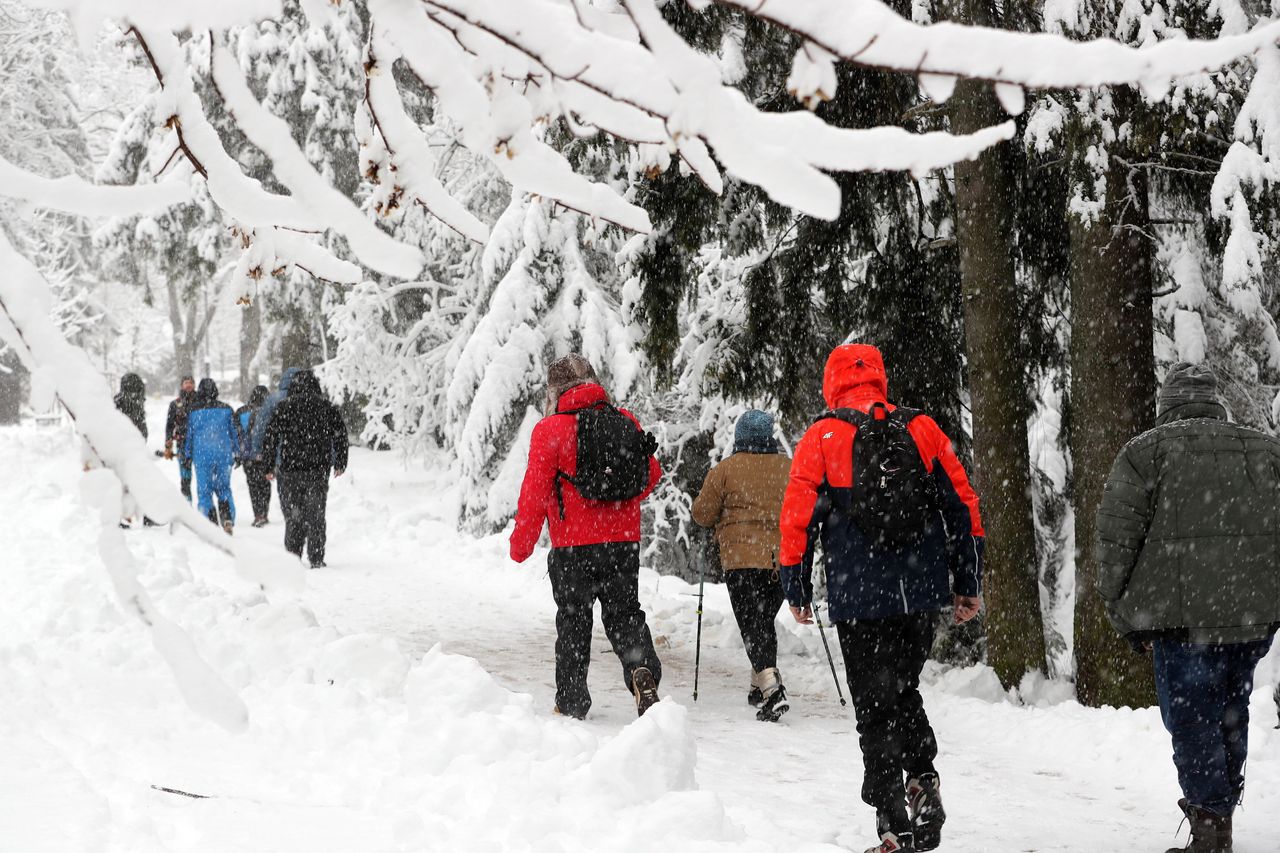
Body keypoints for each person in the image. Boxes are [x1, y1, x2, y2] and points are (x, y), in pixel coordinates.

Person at [778, 344, 983, 853]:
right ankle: (923, 781)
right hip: (920, 590)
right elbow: (963, 507)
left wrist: (796, 586)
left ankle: (894, 823)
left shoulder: (822, 437)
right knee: (904, 688)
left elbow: (798, 519)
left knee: (874, 705)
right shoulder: (923, 429)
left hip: (859, 595)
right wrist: (967, 582)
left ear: (832, 382)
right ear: (880, 378)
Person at [1095, 362, 1280, 853]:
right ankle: (1219, 819)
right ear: (1216, 402)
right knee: (1230, 711)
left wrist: (1117, 607)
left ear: (1166, 406)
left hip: (1179, 618)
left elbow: (1115, 542)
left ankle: (1210, 831)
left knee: (1193, 718)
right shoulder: (1265, 449)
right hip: (1251, 615)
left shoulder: (1144, 453)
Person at [509, 354, 664, 720]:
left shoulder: (550, 430)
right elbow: (651, 475)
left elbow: (534, 493)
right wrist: (616, 505)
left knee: (574, 620)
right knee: (625, 615)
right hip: (622, 544)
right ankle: (642, 672)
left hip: (572, 548)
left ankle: (572, 700)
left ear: (555, 390)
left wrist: (521, 545)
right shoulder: (624, 421)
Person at [691, 409, 793, 722]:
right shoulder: (789, 468)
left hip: (741, 562)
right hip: (782, 561)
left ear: (739, 438)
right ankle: (757, 686)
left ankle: (772, 688)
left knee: (752, 623)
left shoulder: (725, 470)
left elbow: (702, 515)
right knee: (762, 621)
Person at [261, 370, 348, 568]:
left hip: (290, 469)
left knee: (294, 515)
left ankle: (293, 557)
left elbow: (270, 436)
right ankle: (316, 558)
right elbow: (340, 433)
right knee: (316, 515)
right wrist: (340, 461)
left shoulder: (284, 407)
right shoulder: (325, 407)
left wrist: (268, 465)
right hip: (318, 469)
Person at [182, 378, 239, 534]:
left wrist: (186, 455)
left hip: (202, 455)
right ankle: (227, 517)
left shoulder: (193, 412)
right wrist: (238, 452)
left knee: (204, 490)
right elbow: (234, 433)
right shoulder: (227, 409)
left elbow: (189, 436)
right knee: (224, 488)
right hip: (223, 454)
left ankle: (209, 521)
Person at [251, 367, 301, 517]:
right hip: (306, 455)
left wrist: (258, 448)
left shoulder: (273, 399)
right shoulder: (309, 398)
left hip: (282, 455)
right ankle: (302, 517)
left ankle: (291, 520)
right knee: (305, 490)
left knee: (286, 491)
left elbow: (261, 426)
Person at [235, 385, 272, 527]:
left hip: (248, 455)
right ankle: (264, 513)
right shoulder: (270, 411)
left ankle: (258, 514)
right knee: (265, 484)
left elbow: (237, 434)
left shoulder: (241, 412)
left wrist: (239, 453)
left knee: (253, 485)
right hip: (265, 454)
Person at [164, 376, 196, 502]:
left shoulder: (201, 401)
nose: (188, 385)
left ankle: (205, 506)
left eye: (191, 383)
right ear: (182, 385)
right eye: (186, 383)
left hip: (199, 442)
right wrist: (168, 443)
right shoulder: (175, 404)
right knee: (185, 476)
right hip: (182, 443)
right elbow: (169, 425)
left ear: (194, 385)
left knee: (202, 476)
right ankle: (187, 501)